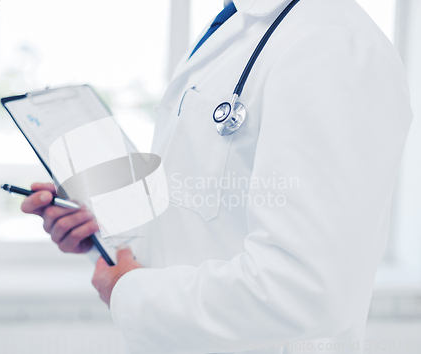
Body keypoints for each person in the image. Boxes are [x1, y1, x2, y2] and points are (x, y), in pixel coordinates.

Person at [21, 0, 413, 353]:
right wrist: (103, 233)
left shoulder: (330, 45)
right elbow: (205, 220)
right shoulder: (241, 26)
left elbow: (303, 289)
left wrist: (130, 291)